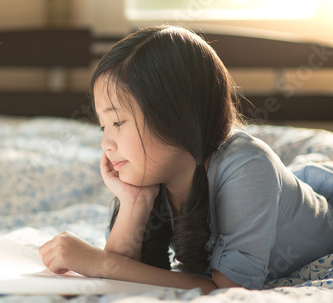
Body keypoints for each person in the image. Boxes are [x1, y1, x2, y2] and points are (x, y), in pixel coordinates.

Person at [38, 25, 333, 294]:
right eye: (103, 127)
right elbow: (123, 272)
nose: (106, 143)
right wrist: (133, 201)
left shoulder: (248, 168)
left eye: (117, 123)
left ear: (175, 118)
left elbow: (230, 290)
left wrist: (97, 262)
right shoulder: (155, 175)